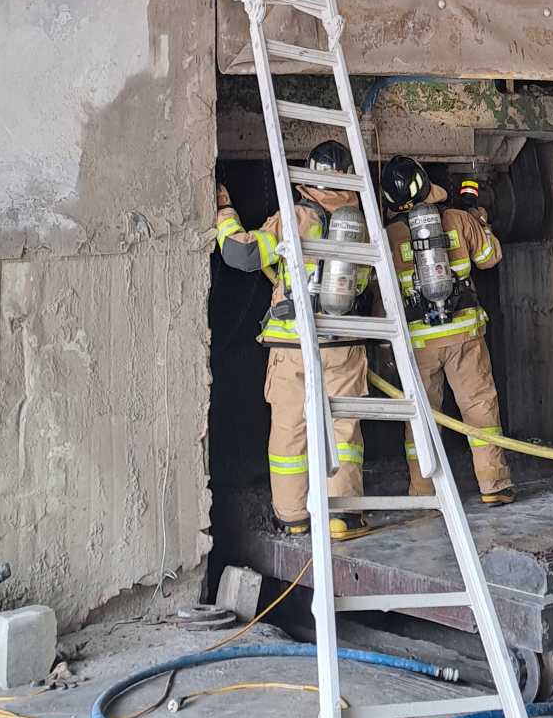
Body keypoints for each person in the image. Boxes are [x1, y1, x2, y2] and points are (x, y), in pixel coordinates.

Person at [215, 141, 370, 540]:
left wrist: (225, 213)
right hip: (341, 343)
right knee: (343, 431)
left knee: (289, 431)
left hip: (292, 345)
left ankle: (292, 516)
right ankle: (343, 517)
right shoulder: (362, 222)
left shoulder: (296, 216)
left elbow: (241, 255)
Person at [382, 155, 514, 507]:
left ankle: (423, 491)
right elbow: (490, 257)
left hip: (419, 342)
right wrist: (479, 222)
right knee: (480, 408)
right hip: (464, 336)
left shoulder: (389, 236)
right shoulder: (457, 219)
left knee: (421, 419)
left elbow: (384, 293)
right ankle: (494, 485)